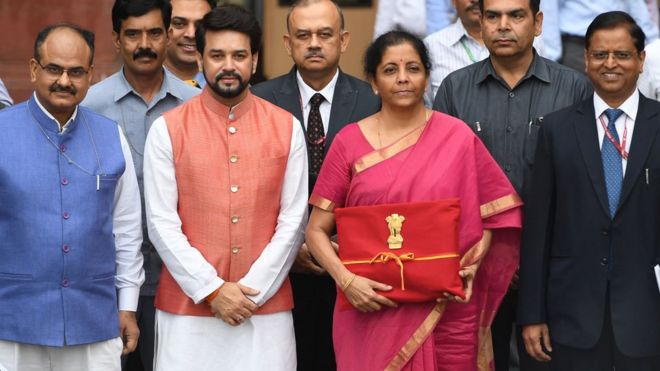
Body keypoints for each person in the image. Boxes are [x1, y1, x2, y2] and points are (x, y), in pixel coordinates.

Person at [305, 30, 523, 370]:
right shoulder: (348, 142)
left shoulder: (457, 137)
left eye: (413, 68)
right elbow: (315, 231)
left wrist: (471, 264)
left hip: (447, 309)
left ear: (426, 77)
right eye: (390, 70)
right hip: (370, 307)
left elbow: (495, 214)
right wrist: (346, 280)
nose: (403, 78)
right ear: (373, 82)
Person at [144, 5, 308, 370]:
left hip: (265, 312)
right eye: (217, 55)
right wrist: (213, 291)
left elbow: (294, 219)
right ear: (200, 59)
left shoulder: (286, 127)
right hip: (188, 312)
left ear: (255, 60)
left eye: (239, 55)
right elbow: (160, 222)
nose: (228, 66)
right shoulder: (167, 129)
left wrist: (251, 292)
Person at [433, 0, 592, 369]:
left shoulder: (573, 89)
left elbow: (584, 189)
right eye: (493, 16)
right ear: (481, 22)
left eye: (516, 15)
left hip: (553, 268)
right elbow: (442, 184)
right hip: (475, 266)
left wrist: (534, 257)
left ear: (537, 23)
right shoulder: (455, 90)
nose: (503, 25)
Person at [519, 11, 660, 370]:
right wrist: (532, 313)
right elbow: (539, 229)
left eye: (622, 55)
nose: (610, 64)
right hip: (573, 312)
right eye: (599, 55)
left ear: (641, 60)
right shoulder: (557, 129)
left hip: (647, 309)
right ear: (585, 60)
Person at [0, 24, 144, 371]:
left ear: (90, 76)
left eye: (76, 72)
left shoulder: (110, 136)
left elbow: (126, 230)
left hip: (94, 319)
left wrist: (127, 305)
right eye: (54, 69)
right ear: (34, 70)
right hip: (13, 321)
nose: (65, 81)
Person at [251, 1, 379, 368]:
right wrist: (295, 246)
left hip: (354, 268)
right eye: (303, 36)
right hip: (278, 270)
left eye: (324, 34)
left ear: (344, 40)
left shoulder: (373, 101)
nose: (314, 43)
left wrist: (338, 245)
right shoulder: (260, 100)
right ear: (288, 44)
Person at [82, 1, 199, 370]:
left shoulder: (196, 105)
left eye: (154, 33)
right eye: (132, 34)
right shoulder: (89, 106)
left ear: (168, 35)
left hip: (183, 282)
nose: (144, 43)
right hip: (109, 286)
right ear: (116, 40)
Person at [540, 0, 658, 68]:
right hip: (577, 49)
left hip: (621, 42)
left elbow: (635, 5)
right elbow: (549, 9)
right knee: (579, 102)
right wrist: (551, 58)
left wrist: (654, 45)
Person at [423, 0, 488, 105]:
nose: (475, 0)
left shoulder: (513, 44)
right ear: (453, 1)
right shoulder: (432, 46)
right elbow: (426, 105)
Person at [164, 0, 215, 87]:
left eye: (200, 25)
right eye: (179, 23)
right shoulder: (139, 82)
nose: (191, 34)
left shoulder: (231, 88)